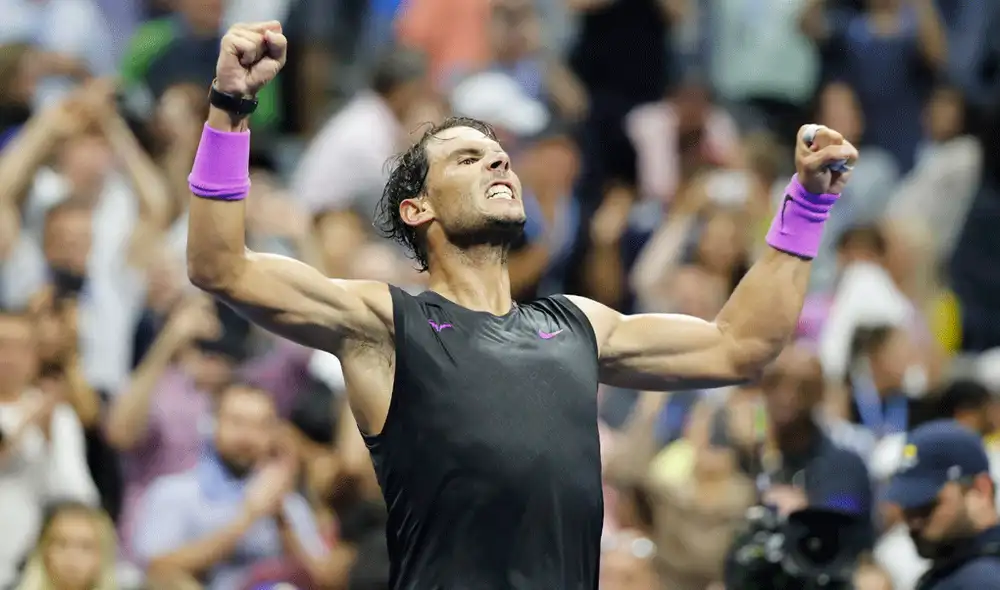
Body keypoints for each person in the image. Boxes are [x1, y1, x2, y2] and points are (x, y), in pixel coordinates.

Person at [185, 22, 859, 588]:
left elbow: (740, 345)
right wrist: (229, 106)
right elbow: (221, 267)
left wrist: (806, 205)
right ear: (418, 208)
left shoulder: (577, 323)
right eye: (470, 158)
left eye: (502, 156)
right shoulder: (387, 323)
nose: (501, 164)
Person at [886, 420, 1000, 589]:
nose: (914, 522)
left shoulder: (983, 580)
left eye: (926, 506)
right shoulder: (954, 570)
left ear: (981, 490)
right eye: (908, 508)